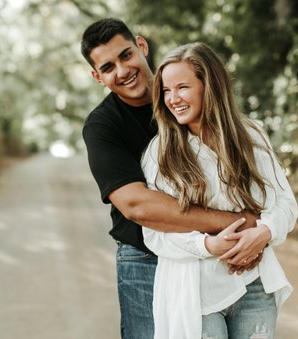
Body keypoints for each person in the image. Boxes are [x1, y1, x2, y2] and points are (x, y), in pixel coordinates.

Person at [80, 19, 261, 339]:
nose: (122, 71)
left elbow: (238, 164)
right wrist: (234, 222)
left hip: (219, 251)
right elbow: (137, 206)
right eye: (108, 67)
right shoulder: (102, 126)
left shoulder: (188, 95)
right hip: (145, 260)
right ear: (98, 77)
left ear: (141, 46)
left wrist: (253, 230)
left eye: (126, 55)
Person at [141, 42, 298, 339]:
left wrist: (263, 232)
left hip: (254, 286)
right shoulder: (160, 153)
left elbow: (285, 204)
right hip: (195, 292)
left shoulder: (250, 136)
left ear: (209, 86)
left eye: (182, 87)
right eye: (166, 90)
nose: (173, 99)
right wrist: (208, 246)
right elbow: (155, 233)